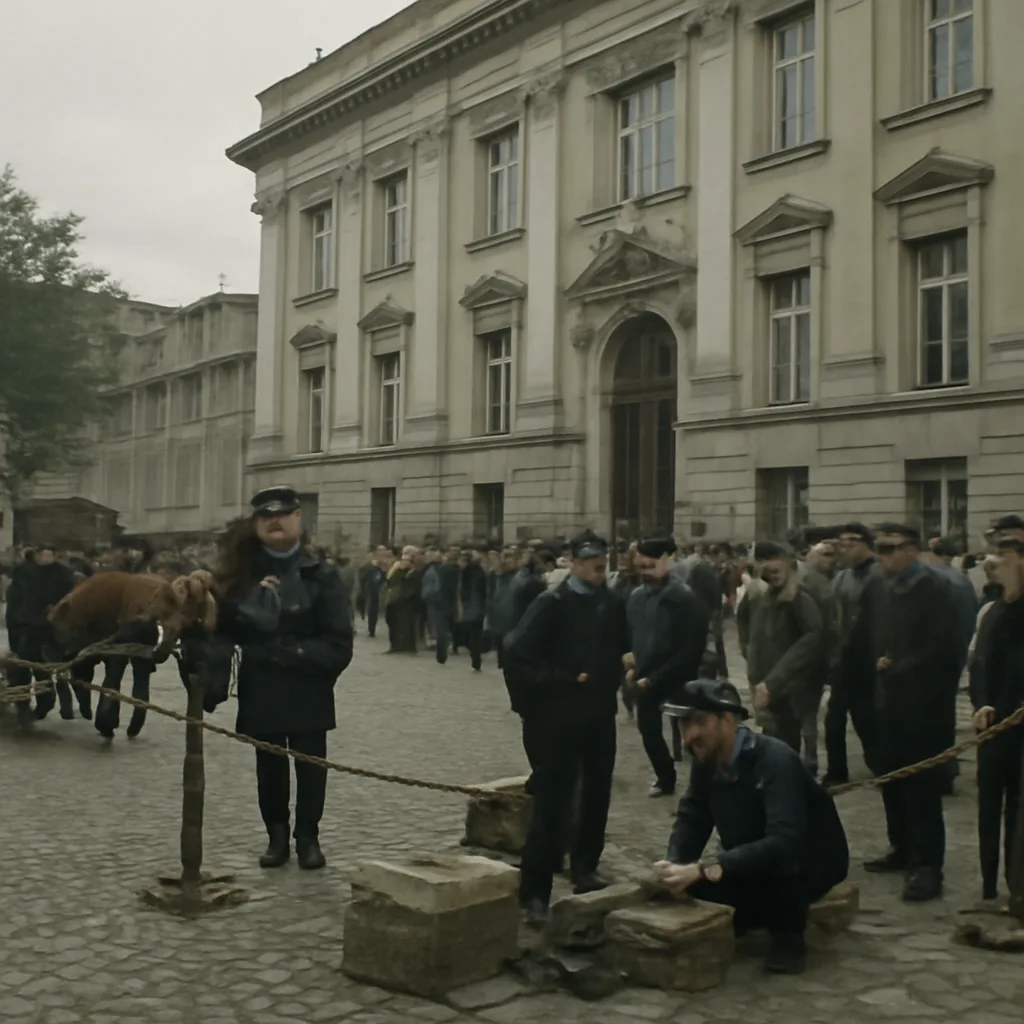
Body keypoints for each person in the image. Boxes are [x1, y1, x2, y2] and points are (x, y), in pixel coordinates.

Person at [656, 679, 849, 975]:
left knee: (777, 883)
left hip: (804, 862)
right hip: (751, 855)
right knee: (696, 888)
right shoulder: (706, 761)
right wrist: (675, 863)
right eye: (684, 724)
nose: (689, 735)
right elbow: (693, 815)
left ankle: (789, 937)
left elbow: (785, 841)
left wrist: (706, 868)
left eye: (699, 722)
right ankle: (751, 911)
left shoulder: (775, 760)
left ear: (727, 720)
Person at [214, 485, 353, 870]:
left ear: (298, 519)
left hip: (309, 686)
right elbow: (219, 629)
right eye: (265, 517)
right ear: (256, 524)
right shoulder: (239, 575)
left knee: (311, 767)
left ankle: (308, 837)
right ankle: (276, 836)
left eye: (283, 515)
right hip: (262, 688)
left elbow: (339, 644)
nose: (274, 521)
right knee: (269, 767)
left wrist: (288, 654)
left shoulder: (322, 576)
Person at [502, 530, 629, 921]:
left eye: (602, 561)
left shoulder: (611, 602)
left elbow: (621, 644)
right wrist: (559, 680)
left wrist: (625, 665)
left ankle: (586, 866)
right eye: (590, 560)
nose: (598, 567)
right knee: (553, 802)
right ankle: (534, 891)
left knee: (596, 792)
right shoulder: (551, 603)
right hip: (557, 718)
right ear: (572, 562)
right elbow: (516, 655)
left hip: (599, 716)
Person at [867, 523, 959, 901]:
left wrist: (899, 665)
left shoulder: (934, 588)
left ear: (911, 550)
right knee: (892, 779)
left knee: (921, 788)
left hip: (926, 708)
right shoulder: (882, 588)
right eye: (880, 549)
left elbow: (944, 648)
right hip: (889, 703)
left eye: (890, 549)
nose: (882, 556)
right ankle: (901, 848)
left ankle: (927, 866)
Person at [627, 537, 712, 797]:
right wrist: (631, 660)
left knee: (696, 735)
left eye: (650, 566)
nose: (645, 573)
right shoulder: (637, 597)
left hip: (681, 676)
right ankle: (666, 778)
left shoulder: (685, 600)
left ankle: (704, 785)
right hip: (645, 676)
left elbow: (690, 650)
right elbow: (630, 633)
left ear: (667, 561)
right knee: (649, 731)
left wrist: (656, 677)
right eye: (641, 567)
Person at [970, 535, 1024, 901]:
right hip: (991, 726)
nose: (994, 562)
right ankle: (990, 884)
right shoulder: (991, 612)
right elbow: (979, 665)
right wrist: (982, 704)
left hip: (1018, 725)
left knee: (1018, 813)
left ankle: (1017, 884)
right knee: (988, 807)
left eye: (1003, 556)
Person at [746, 541, 825, 757]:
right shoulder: (766, 596)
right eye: (766, 570)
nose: (772, 575)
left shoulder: (800, 597)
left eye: (775, 570)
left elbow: (813, 638)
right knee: (774, 745)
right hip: (769, 686)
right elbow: (752, 635)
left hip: (791, 689)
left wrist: (772, 682)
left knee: (785, 747)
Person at [825, 524, 885, 784]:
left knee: (867, 719)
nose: (844, 548)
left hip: (869, 661)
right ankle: (837, 772)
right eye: (841, 543)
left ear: (865, 544)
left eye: (850, 543)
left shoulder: (879, 575)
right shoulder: (841, 577)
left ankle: (881, 766)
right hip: (844, 660)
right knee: (834, 719)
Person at [4, 543, 78, 724]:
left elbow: (69, 600)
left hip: (50, 631)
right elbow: (14, 604)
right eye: (43, 555)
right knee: (22, 669)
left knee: (49, 670)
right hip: (25, 629)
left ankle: (49, 706)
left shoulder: (63, 576)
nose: (46, 558)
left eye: (49, 555)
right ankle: (25, 707)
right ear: (37, 555)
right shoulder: (24, 574)